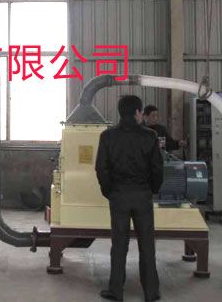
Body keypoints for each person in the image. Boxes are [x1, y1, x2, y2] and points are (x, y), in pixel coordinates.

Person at [95, 95, 164, 302]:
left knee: (119, 245)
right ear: (137, 113)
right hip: (142, 195)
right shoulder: (150, 136)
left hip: (118, 196)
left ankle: (116, 291)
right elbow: (157, 168)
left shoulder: (107, 136)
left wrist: (109, 191)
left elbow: (101, 168)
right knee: (147, 245)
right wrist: (152, 189)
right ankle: (151, 292)